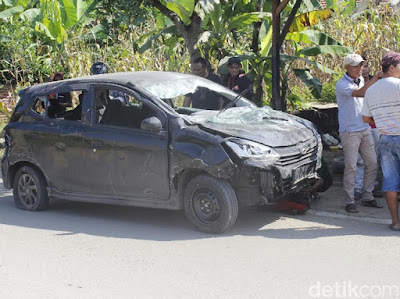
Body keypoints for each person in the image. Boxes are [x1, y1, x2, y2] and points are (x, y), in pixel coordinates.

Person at [335, 53, 383, 213]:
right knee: (351, 167)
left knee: (372, 163)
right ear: (347, 67)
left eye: (361, 65)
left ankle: (367, 196)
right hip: (350, 131)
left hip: (364, 128)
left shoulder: (362, 80)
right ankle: (350, 200)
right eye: (356, 66)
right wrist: (375, 78)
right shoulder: (342, 84)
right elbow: (360, 93)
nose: (360, 69)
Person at [362, 52, 400, 231]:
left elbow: (366, 119)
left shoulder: (371, 90)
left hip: (385, 138)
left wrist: (384, 122)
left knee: (391, 181)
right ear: (392, 67)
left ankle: (395, 222)